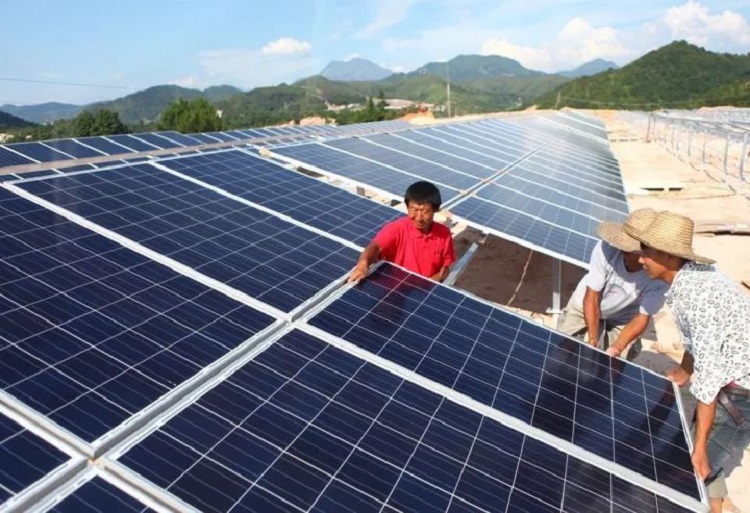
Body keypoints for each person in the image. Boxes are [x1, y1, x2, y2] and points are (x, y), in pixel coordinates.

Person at [626, 211, 750, 513]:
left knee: (690, 471)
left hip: (740, 393)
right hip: (729, 380)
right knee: (697, 462)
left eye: (647, 252)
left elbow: (709, 378)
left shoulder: (698, 296)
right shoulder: (690, 279)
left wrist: (700, 448)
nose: (641, 259)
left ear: (669, 256)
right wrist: (681, 374)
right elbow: (699, 343)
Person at [556, 208, 668, 360]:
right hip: (585, 304)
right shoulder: (606, 249)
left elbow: (642, 317)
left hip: (625, 315)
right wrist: (593, 339)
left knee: (615, 363)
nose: (622, 249)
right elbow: (592, 296)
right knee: (561, 348)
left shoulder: (660, 275)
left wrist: (617, 347)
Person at [348, 181, 456, 283]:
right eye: (413, 210)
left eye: (425, 211)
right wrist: (362, 265)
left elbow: (444, 268)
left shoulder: (444, 234)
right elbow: (375, 247)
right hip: (395, 289)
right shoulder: (396, 229)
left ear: (435, 209)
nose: (419, 217)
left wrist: (429, 285)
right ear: (407, 207)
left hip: (426, 290)